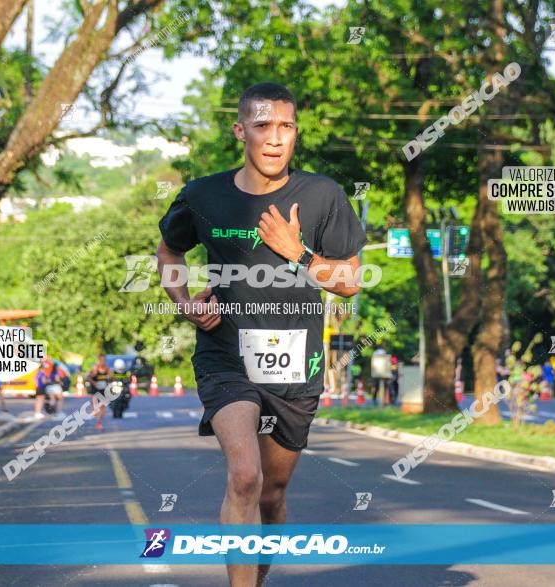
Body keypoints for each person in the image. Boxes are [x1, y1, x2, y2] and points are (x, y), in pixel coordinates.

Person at [156, 82, 367, 587]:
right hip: (226, 357)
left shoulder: (322, 195)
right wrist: (186, 305)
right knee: (244, 475)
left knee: (271, 493)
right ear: (240, 131)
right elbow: (169, 253)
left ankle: (256, 575)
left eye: (286, 127)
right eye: (262, 126)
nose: (275, 139)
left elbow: (351, 281)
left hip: (296, 367)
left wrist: (299, 253)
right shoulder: (203, 195)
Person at [86, 354, 114, 429]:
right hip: (95, 390)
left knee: (102, 407)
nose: (103, 362)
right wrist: (94, 383)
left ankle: (99, 423)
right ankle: (95, 410)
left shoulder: (107, 369)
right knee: (96, 408)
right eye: (101, 360)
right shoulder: (95, 368)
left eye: (104, 360)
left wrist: (111, 379)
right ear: (99, 360)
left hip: (103, 390)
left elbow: (112, 377)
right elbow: (88, 377)